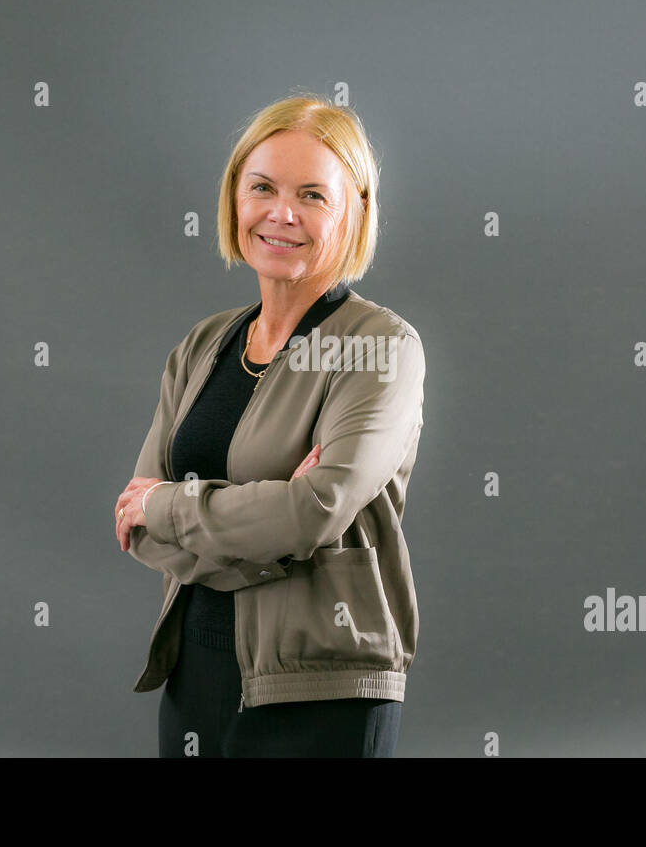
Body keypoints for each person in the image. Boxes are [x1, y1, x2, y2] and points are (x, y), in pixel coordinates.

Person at [114, 95, 426, 757]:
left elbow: (314, 510)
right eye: (263, 187)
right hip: (193, 673)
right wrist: (270, 525)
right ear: (235, 198)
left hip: (321, 688)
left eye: (313, 194)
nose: (282, 213)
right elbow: (136, 526)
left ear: (355, 212)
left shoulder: (381, 347)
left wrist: (174, 506)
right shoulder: (204, 346)